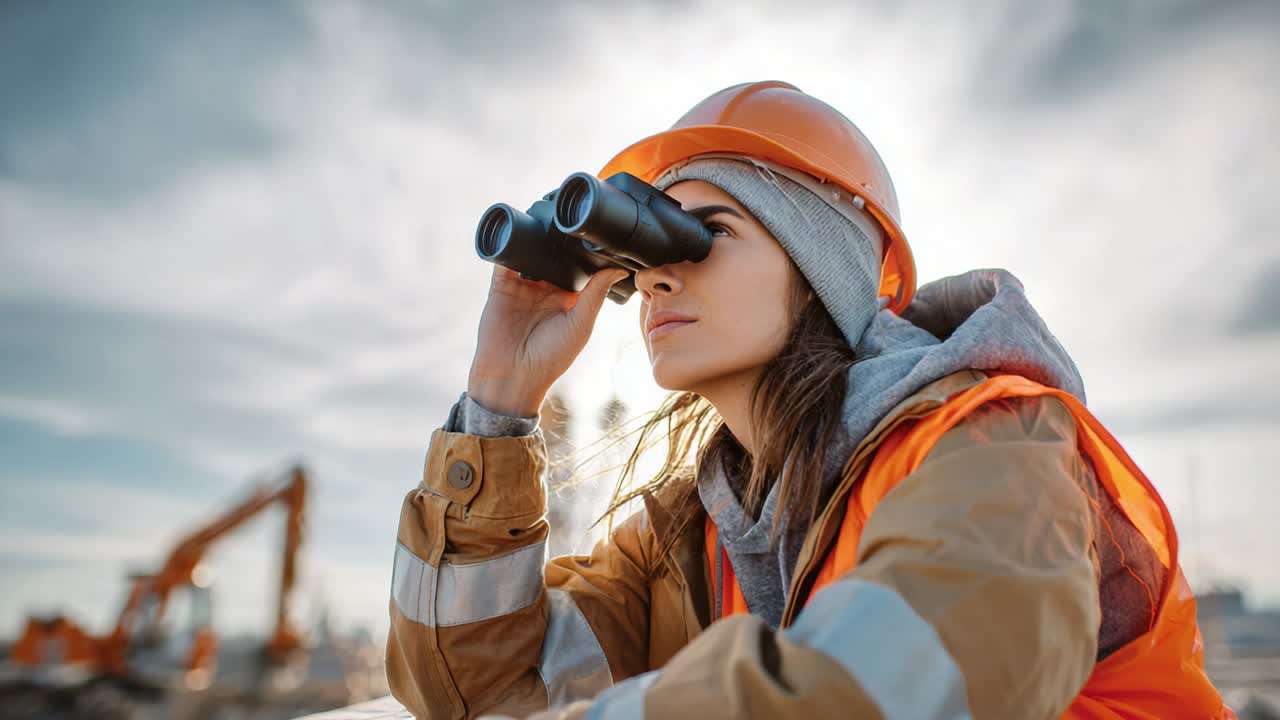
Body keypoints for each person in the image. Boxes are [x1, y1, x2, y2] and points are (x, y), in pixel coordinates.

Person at [385, 81, 1232, 719]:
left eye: (705, 234)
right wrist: (500, 401)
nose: (658, 277)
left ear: (823, 268)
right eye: (645, 250)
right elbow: (480, 695)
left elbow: (874, 694)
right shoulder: (690, 537)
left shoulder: (993, 447)